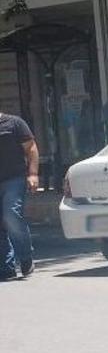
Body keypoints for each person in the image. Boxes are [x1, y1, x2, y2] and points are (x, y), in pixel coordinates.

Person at [0, 111, 39, 281]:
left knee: (10, 214)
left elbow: (30, 147)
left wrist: (33, 174)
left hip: (14, 179)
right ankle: (6, 266)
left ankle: (25, 257)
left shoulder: (14, 123)